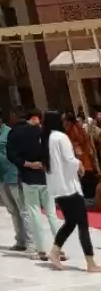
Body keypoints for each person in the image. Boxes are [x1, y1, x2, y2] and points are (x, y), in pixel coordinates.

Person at [43, 109, 100, 272]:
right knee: (82, 223)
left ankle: (55, 252)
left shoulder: (46, 138)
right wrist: (80, 165)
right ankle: (90, 262)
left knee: (70, 222)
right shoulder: (61, 137)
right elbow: (70, 160)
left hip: (57, 187)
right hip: (69, 187)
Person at [7, 107, 60, 259]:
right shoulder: (44, 132)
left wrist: (27, 164)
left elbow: (11, 155)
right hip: (46, 177)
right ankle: (59, 248)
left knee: (34, 212)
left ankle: (41, 249)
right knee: (51, 213)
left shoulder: (15, 133)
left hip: (28, 177)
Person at [0, 109, 29, 252]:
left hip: (12, 174)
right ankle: (20, 240)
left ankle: (30, 241)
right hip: (0, 176)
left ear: (0, 118)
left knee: (22, 209)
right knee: (12, 210)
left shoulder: (9, 132)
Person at [66, 111, 100, 203]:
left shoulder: (74, 128)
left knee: (86, 173)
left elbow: (80, 140)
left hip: (82, 154)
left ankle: (90, 195)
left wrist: (75, 146)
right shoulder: (77, 127)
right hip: (84, 154)